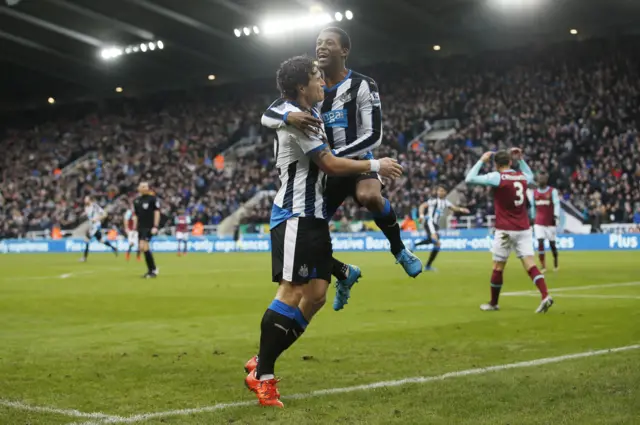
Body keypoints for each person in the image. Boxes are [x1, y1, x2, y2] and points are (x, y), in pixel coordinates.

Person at [245, 55, 403, 408]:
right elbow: (329, 164)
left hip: (314, 216)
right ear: (302, 86)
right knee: (291, 290)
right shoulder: (295, 117)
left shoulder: (307, 115)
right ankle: (264, 376)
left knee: (315, 296)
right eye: (317, 78)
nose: (322, 83)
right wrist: (375, 164)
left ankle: (261, 360)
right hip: (295, 213)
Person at [261, 27, 422, 312]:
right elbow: (268, 113)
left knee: (371, 196)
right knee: (311, 232)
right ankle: (344, 273)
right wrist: (289, 115)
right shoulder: (311, 89)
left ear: (344, 51)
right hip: (326, 171)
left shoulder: (362, 85)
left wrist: (333, 156)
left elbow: (374, 136)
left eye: (329, 43)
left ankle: (398, 248)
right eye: (318, 43)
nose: (321, 47)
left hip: (356, 162)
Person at [465, 149, 554, 314]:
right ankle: (545, 295)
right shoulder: (522, 176)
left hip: (505, 229)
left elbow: (469, 178)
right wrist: (521, 159)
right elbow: (531, 175)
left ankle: (493, 303)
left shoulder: (497, 176)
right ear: (511, 162)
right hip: (524, 228)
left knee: (498, 266)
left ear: (497, 164)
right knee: (530, 264)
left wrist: (481, 160)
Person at [413, 186, 470, 271]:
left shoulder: (446, 202)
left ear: (445, 192)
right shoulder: (434, 200)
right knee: (437, 242)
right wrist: (421, 216)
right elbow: (422, 206)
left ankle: (414, 246)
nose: (439, 192)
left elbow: (453, 208)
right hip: (430, 222)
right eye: (439, 191)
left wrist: (462, 209)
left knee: (434, 242)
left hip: (435, 225)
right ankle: (427, 266)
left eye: (442, 191)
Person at [528, 171, 560, 272]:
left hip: (550, 222)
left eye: (543, 178)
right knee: (540, 242)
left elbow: (557, 204)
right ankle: (543, 266)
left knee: (552, 244)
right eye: (540, 178)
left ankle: (555, 261)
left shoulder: (552, 191)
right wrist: (532, 217)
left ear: (546, 180)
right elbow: (533, 206)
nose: (541, 180)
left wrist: (556, 216)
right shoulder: (535, 193)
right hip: (539, 222)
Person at [132, 182, 160, 278]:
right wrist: (134, 229)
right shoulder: (136, 201)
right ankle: (151, 269)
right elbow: (136, 215)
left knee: (144, 246)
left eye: (145, 186)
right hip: (140, 227)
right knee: (142, 247)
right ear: (139, 188)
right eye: (142, 186)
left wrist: (155, 226)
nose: (144, 188)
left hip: (149, 227)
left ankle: (153, 270)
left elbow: (157, 212)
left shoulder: (152, 199)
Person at [79, 196, 118, 262]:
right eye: (84, 199)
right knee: (101, 240)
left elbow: (104, 214)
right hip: (92, 226)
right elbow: (89, 216)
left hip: (96, 226)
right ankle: (114, 248)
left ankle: (84, 258)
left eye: (86, 199)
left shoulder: (95, 206)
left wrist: (96, 219)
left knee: (87, 239)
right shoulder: (86, 208)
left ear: (90, 200)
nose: (85, 200)